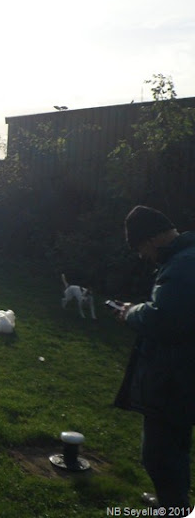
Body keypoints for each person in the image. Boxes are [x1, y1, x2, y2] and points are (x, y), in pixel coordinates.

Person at [113, 205, 195, 511]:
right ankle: (174, 502)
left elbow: (164, 318)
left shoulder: (183, 265)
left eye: (139, 248)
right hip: (183, 377)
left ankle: (173, 507)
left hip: (175, 380)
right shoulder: (186, 258)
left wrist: (131, 312)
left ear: (150, 241)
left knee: (158, 455)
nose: (141, 256)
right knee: (176, 449)